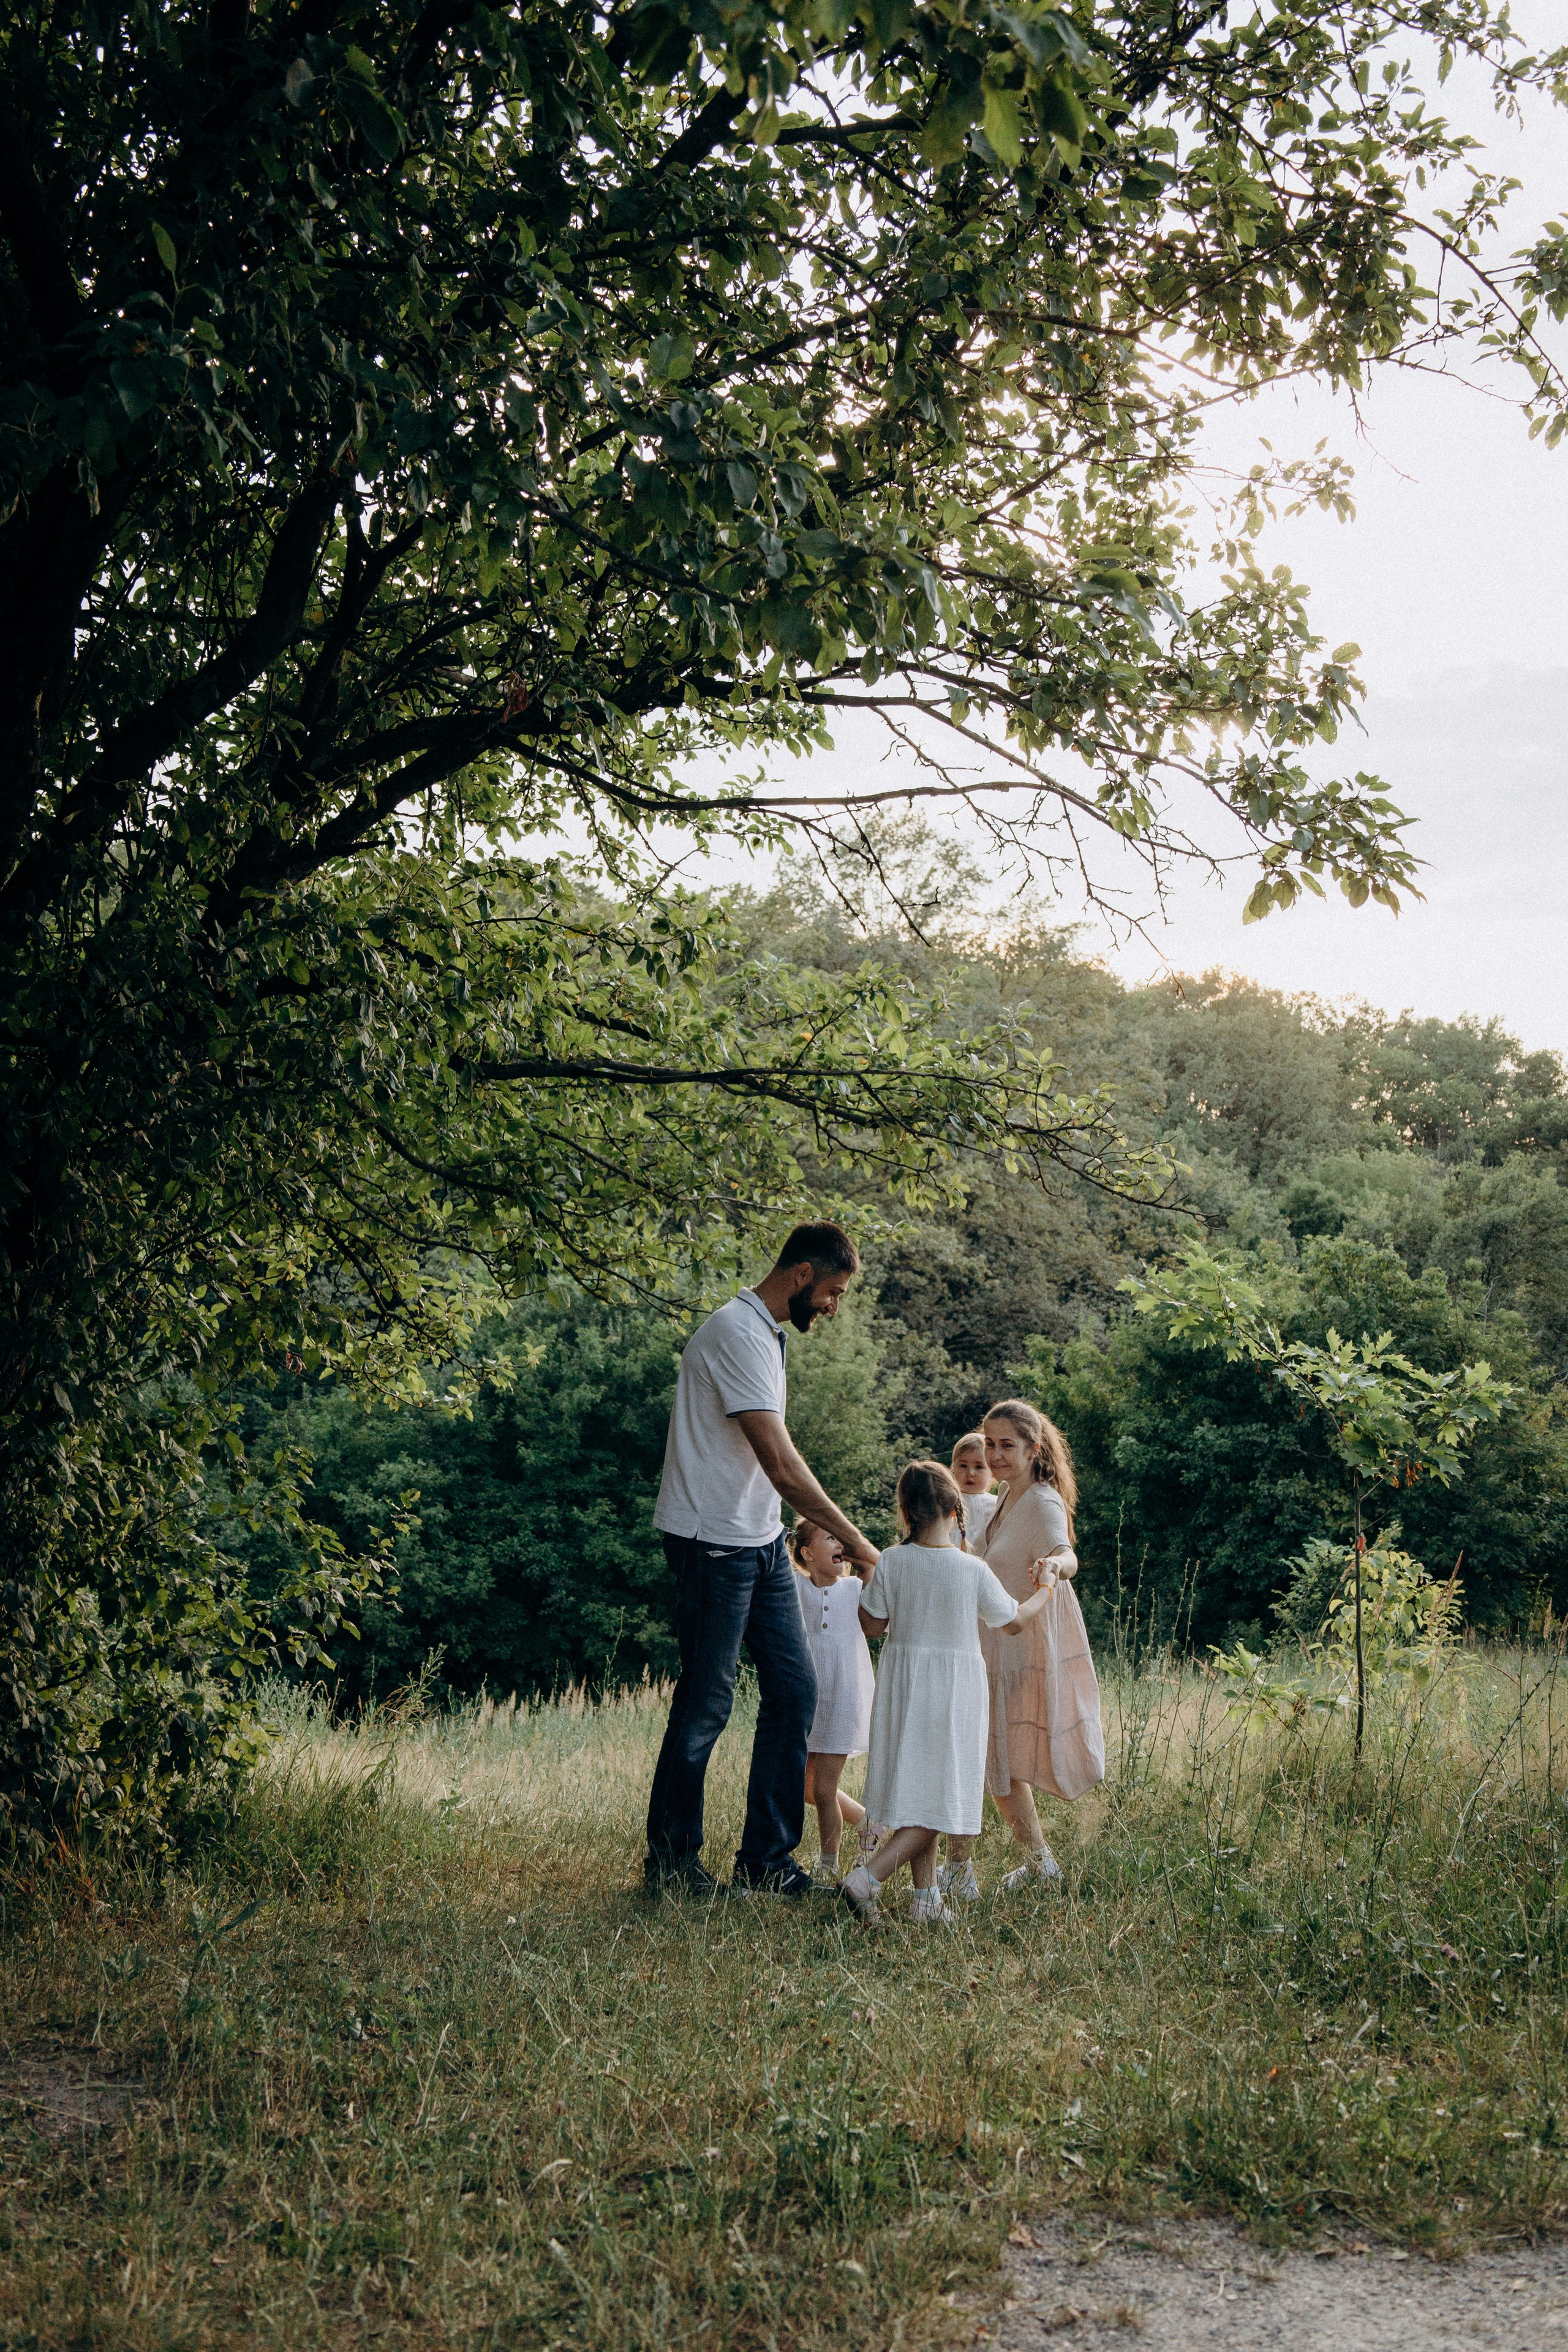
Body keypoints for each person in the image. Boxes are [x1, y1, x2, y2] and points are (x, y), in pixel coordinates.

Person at [644, 1221, 880, 1897]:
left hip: (758, 1540)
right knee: (707, 1701)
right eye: (833, 1292)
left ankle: (767, 1860)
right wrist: (859, 1545)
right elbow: (779, 1463)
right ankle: (671, 1865)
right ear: (802, 1275)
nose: (834, 1307)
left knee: (794, 1689)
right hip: (710, 1542)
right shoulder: (737, 1333)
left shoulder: (767, 1335)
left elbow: (768, 1467)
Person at [840, 1460, 1059, 1925]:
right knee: (942, 1796)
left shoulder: (893, 1560)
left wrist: (868, 1581)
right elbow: (1015, 1621)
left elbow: (873, 1626)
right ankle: (866, 1880)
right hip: (954, 1692)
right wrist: (1046, 1588)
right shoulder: (971, 1570)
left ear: (907, 1513)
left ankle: (927, 1899)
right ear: (956, 1508)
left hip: (904, 1687)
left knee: (922, 1789)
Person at [973, 1398, 1104, 1889]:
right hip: (996, 1639)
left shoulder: (1042, 1499)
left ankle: (1038, 1864)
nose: (996, 1454)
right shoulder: (1005, 1495)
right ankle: (1039, 1864)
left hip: (1025, 1640)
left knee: (998, 1752)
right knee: (997, 1753)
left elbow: (1065, 1553)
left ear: (1034, 1448)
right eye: (990, 1443)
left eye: (1008, 1445)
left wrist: (1054, 1568)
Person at [787, 1518, 876, 1882]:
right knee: (806, 1786)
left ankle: (828, 1863)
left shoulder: (856, 1588)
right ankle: (868, 1823)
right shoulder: (795, 1587)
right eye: (830, 1538)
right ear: (807, 1554)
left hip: (844, 1698)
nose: (840, 1544)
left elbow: (878, 1575)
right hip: (809, 1701)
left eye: (843, 1539)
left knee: (824, 1788)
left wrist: (865, 1558)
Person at [951, 1430, 997, 1546]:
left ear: (992, 1473)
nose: (970, 1473)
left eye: (979, 1467)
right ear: (953, 1468)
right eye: (963, 1466)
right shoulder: (945, 1501)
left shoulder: (997, 1505)